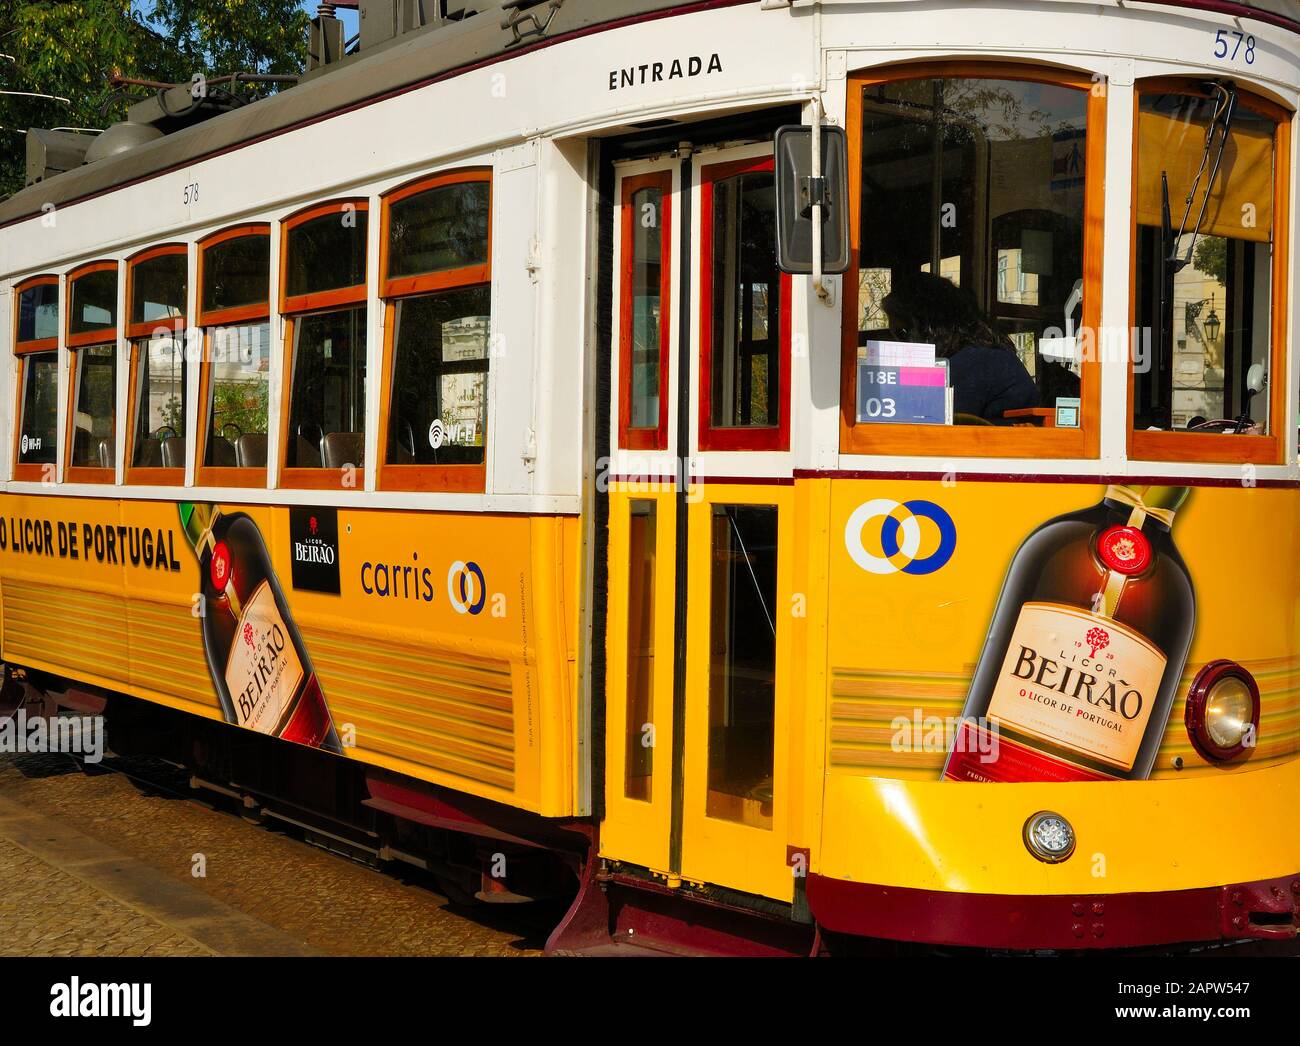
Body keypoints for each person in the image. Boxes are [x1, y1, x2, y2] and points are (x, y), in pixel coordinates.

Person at [880, 271, 1037, 423]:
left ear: (927, 326)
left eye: (902, 333)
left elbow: (930, 424)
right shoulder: (984, 355)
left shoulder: (974, 364)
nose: (897, 344)